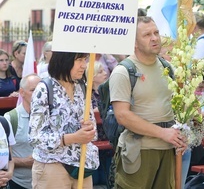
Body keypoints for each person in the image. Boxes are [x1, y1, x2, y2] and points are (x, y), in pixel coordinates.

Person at [109, 16, 186, 188]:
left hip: (167, 150)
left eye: (156, 32)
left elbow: (176, 107)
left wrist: (182, 135)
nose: (154, 38)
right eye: (147, 35)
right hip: (139, 151)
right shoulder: (124, 71)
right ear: (134, 42)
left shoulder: (168, 68)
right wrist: (162, 133)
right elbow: (122, 115)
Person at [29, 51, 99, 189]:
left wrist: (89, 129)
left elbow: (92, 128)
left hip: (82, 164)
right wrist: (73, 137)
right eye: (79, 60)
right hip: (52, 166)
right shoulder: (44, 89)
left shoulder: (82, 88)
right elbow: (35, 137)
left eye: (85, 60)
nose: (84, 66)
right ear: (64, 61)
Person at [5, 74, 40, 189]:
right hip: (18, 183)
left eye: (40, 90)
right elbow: (2, 156)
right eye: (33, 90)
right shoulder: (10, 118)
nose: (38, 94)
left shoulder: (51, 117)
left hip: (45, 181)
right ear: (22, 92)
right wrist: (25, 161)